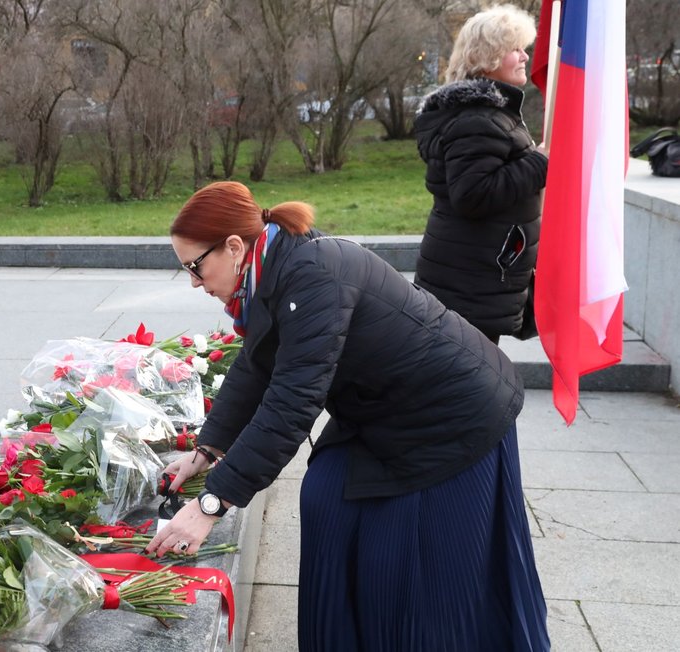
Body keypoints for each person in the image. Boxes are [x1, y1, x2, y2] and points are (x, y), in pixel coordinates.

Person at [145, 180, 550, 651]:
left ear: (234, 247)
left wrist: (211, 506)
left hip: (451, 417)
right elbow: (257, 363)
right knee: (324, 497)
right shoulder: (273, 266)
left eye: (195, 267)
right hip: (389, 408)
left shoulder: (311, 275)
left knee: (417, 578)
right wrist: (206, 450)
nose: (194, 282)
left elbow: (292, 405)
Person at [414, 4, 548, 344]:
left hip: (476, 277)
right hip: (470, 282)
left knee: (467, 382)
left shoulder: (490, 113)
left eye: (524, 48)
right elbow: (473, 195)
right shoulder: (476, 117)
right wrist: (541, 162)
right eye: (514, 49)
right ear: (487, 57)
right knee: (467, 385)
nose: (524, 56)